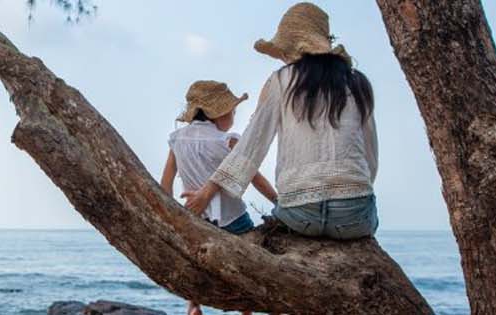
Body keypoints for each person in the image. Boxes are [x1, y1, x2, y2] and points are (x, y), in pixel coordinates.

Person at [183, 2, 380, 241]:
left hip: (301, 215)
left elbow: (251, 146)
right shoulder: (358, 82)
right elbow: (370, 156)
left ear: (292, 49)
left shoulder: (282, 80)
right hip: (354, 217)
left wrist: (206, 193)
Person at [161, 80, 278, 315]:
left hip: (195, 217)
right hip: (232, 218)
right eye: (233, 112)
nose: (233, 117)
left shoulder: (177, 139)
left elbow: (167, 181)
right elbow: (255, 178)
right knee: (249, 267)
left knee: (196, 262)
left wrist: (169, 212)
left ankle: (193, 304)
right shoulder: (227, 140)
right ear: (220, 113)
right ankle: (247, 311)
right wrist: (278, 201)